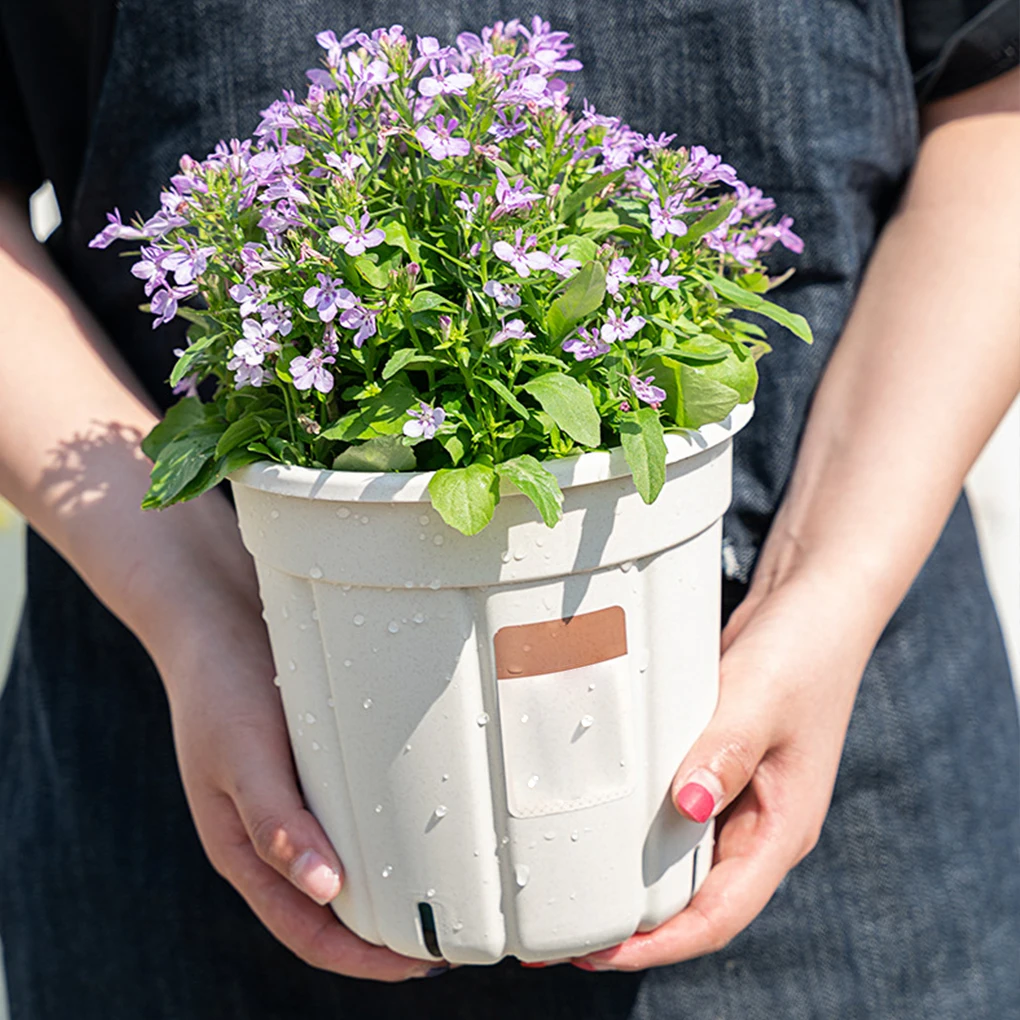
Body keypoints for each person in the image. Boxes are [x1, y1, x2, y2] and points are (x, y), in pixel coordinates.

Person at [1, 1, 1018, 1016]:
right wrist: (198, 606)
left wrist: (827, 588)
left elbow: (995, 83)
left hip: (832, 755)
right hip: (204, 761)